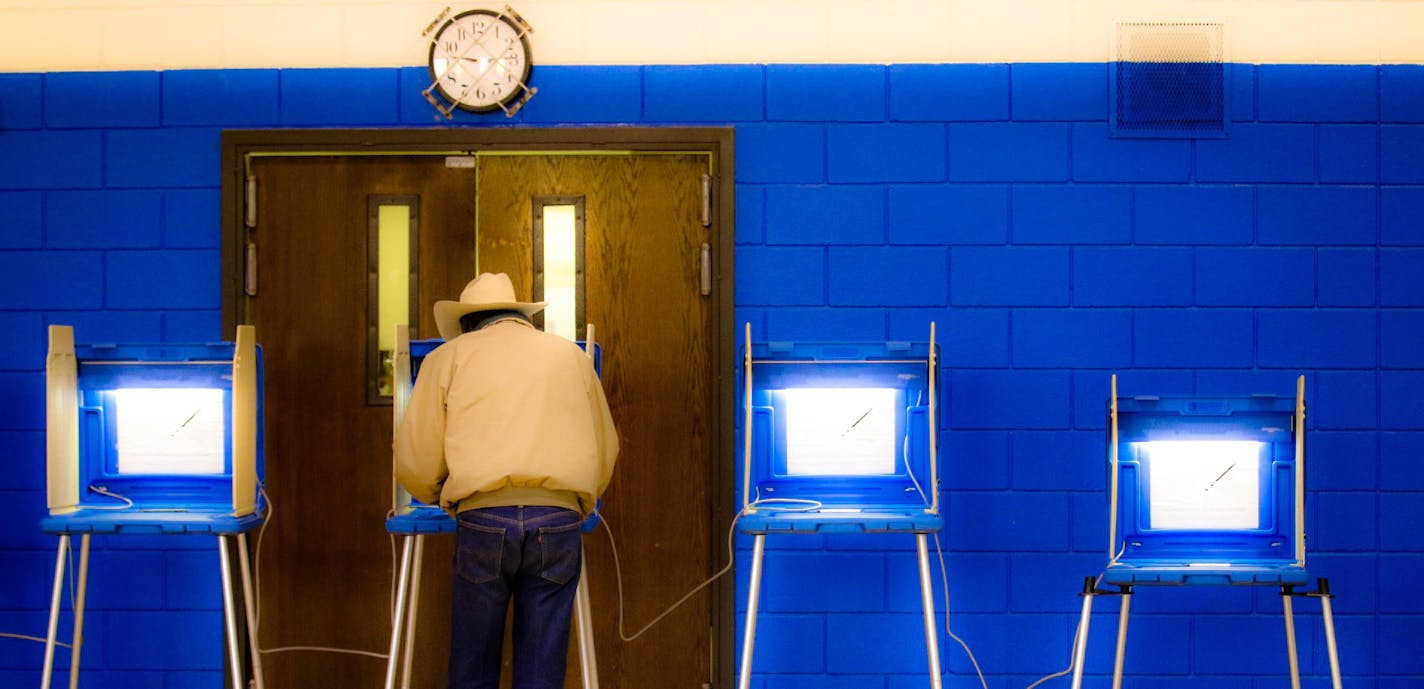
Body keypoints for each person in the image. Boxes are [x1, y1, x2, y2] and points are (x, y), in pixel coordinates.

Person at [394, 272, 618, 689]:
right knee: (540, 667)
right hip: (557, 519)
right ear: (520, 315)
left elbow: (415, 455)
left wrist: (441, 495)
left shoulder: (449, 357)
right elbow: (605, 445)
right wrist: (579, 502)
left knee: (474, 662)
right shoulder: (570, 355)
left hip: (484, 519)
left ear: (467, 323)